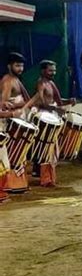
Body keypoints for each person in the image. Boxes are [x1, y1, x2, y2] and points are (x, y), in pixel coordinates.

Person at [0, 52, 31, 192]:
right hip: (8, 122)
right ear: (9, 66)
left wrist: (20, 105)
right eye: (17, 65)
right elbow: (3, 104)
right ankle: (8, 185)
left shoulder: (16, 80)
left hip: (17, 120)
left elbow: (26, 99)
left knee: (18, 153)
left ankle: (17, 184)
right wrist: (14, 109)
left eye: (22, 66)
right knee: (8, 154)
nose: (20, 69)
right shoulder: (7, 81)